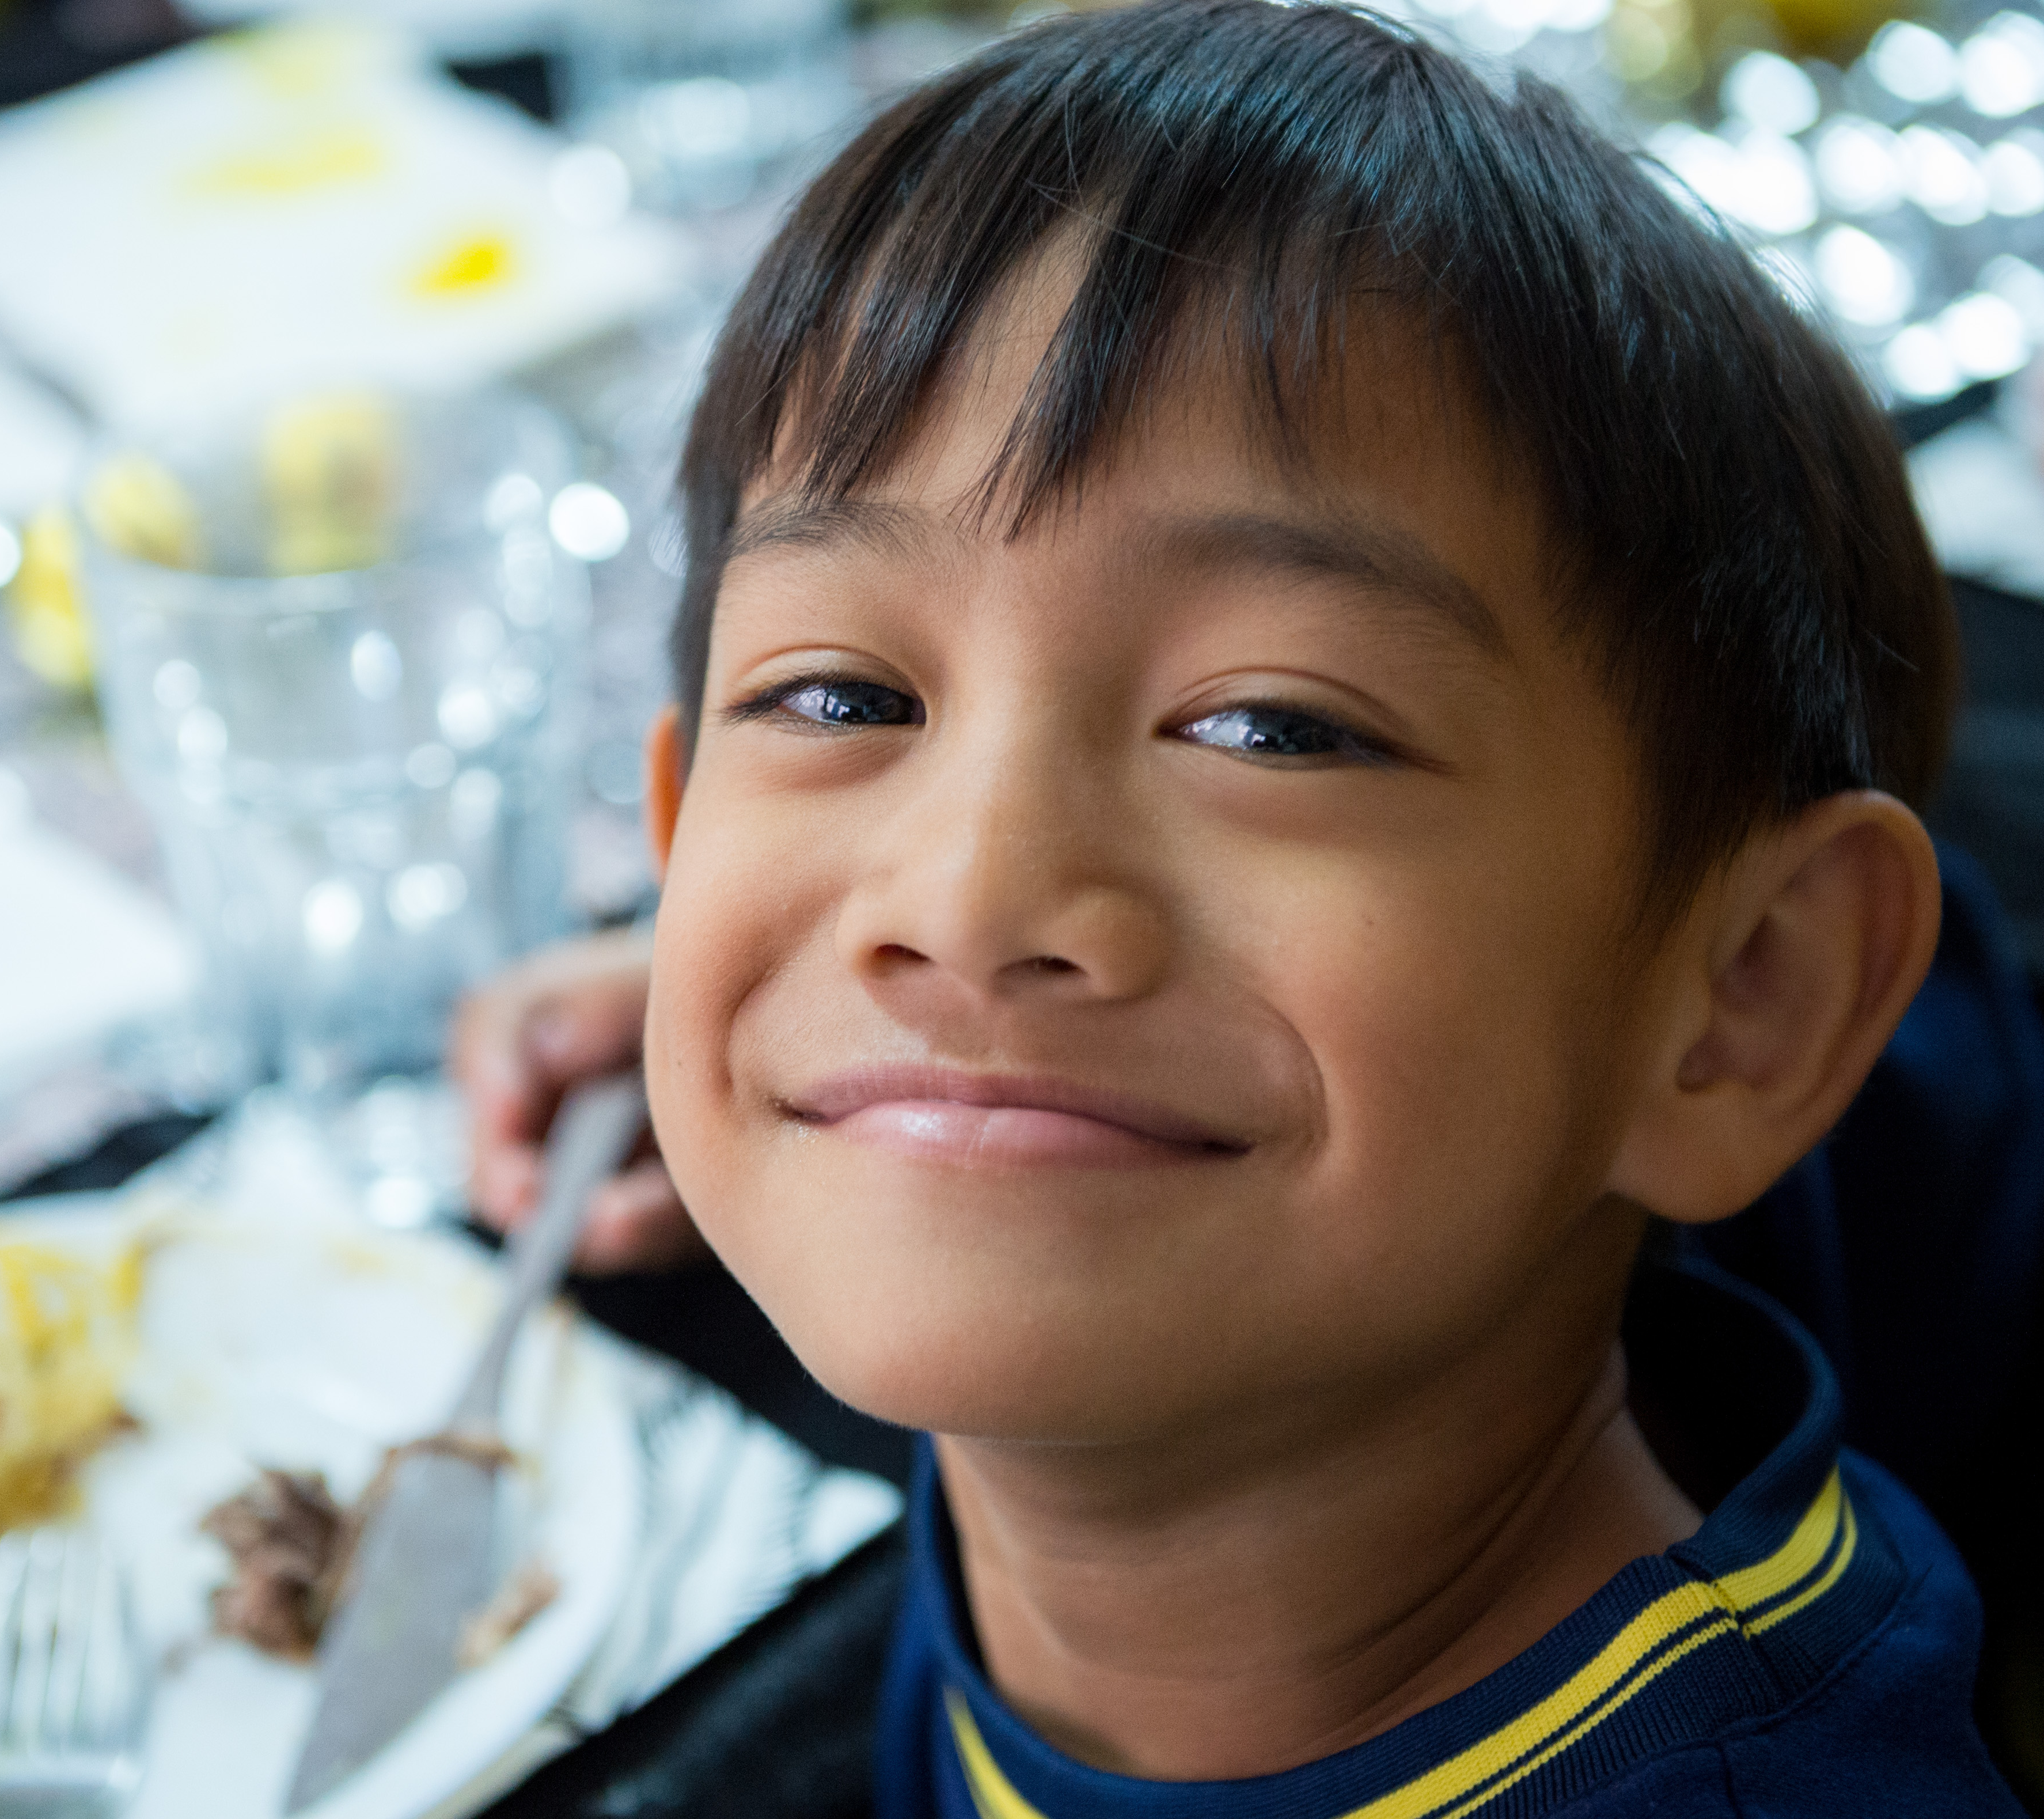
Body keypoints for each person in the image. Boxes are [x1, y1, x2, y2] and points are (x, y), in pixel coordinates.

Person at [456, 3, 2034, 1813]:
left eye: (1273, 727)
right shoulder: (1123, 1328)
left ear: (1745, 995)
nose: (962, 901)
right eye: (844, 700)